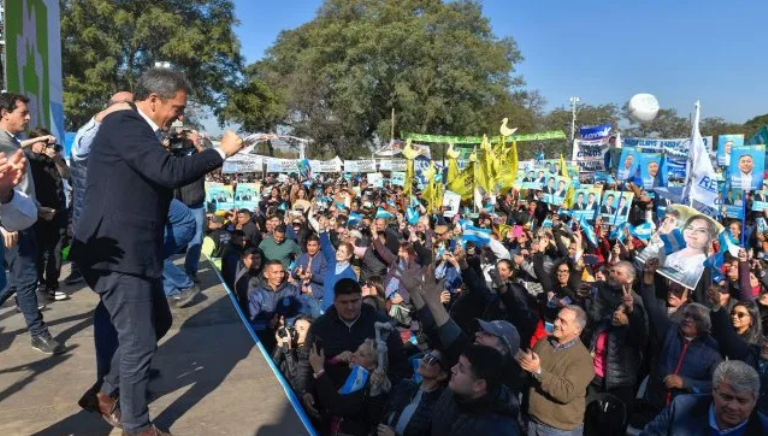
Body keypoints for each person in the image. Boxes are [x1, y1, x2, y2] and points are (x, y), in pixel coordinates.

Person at [72, 68, 243, 436]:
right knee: (138, 341)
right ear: (153, 100)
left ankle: (104, 391)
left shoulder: (140, 131)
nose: (179, 115)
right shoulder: (125, 123)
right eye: (177, 108)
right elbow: (167, 172)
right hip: (116, 252)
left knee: (159, 322)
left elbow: (158, 175)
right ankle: (137, 425)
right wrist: (220, 152)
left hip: (137, 251)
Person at [298, 278, 408, 427]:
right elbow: (306, 361)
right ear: (335, 301)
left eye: (355, 301)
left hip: (367, 412)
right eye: (344, 302)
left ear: (361, 299)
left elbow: (401, 364)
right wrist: (305, 390)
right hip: (327, 409)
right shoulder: (320, 327)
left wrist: (381, 383)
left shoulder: (382, 326)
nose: (350, 307)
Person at [0, 92, 63, 354]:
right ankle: (39, 334)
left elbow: (20, 186)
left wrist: (37, 209)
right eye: (22, 113)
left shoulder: (11, 141)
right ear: (4, 114)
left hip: (22, 219)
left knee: (18, 281)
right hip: (11, 225)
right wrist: (3, 226)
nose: (28, 117)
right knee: (26, 279)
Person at [638, 259, 723, 420]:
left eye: (695, 318)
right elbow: (652, 307)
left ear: (705, 325)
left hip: (685, 416)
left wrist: (686, 383)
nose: (688, 319)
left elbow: (716, 385)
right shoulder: (670, 331)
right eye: (686, 315)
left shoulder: (712, 350)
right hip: (653, 407)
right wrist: (648, 277)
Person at [67, 91, 134, 286]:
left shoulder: (126, 132)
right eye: (129, 106)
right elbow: (80, 152)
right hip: (91, 209)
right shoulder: (93, 132)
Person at [516, 305, 595, 436]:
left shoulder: (582, 359)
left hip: (558, 429)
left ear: (577, 329)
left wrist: (538, 370)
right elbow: (530, 374)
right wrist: (523, 361)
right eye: (557, 318)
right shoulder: (544, 342)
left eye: (563, 321)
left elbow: (565, 392)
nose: (556, 323)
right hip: (532, 420)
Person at [641, 360, 768, 435]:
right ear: (714, 391)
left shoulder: (764, 429)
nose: (733, 407)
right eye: (726, 397)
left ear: (755, 400)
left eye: (742, 401)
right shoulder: (681, 407)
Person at [429, 345, 521, 436]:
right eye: (457, 363)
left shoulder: (498, 430)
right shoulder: (453, 391)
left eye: (461, 369)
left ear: (479, 385)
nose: (452, 369)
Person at [25, 127, 70, 302]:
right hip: (35, 210)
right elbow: (16, 147)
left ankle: (52, 285)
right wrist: (34, 146)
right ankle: (37, 284)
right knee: (36, 251)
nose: (45, 145)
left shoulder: (55, 156)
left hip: (57, 209)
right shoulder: (28, 158)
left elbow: (66, 174)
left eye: (47, 142)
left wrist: (56, 158)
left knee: (56, 249)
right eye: (42, 141)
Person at [377, 350, 450, 436]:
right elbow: (381, 413)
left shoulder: (438, 407)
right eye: (426, 356)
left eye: (431, 359)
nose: (424, 360)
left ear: (442, 375)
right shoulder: (406, 385)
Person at [659, 215, 717, 290]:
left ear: (709, 238)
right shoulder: (670, 253)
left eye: (701, 230)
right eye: (690, 228)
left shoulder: (705, 266)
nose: (693, 232)